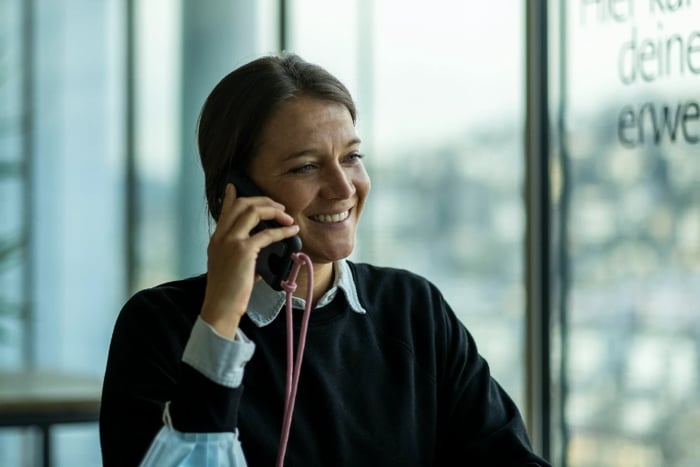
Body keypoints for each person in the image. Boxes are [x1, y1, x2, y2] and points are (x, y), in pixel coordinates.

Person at [99, 52, 551, 467]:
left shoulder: (414, 310)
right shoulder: (159, 327)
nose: (343, 187)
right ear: (236, 192)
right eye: (306, 166)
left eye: (352, 157)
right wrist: (219, 324)